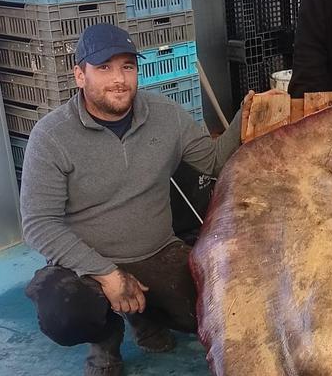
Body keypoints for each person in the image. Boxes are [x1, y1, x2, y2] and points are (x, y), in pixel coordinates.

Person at [19, 23, 253, 376]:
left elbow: (214, 162)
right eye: (104, 68)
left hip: (156, 251)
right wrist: (108, 274)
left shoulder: (166, 114)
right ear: (79, 75)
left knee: (216, 309)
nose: (119, 79)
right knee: (65, 312)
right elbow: (38, 224)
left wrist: (248, 110)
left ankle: (145, 316)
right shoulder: (52, 136)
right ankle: (104, 343)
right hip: (85, 266)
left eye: (127, 66)